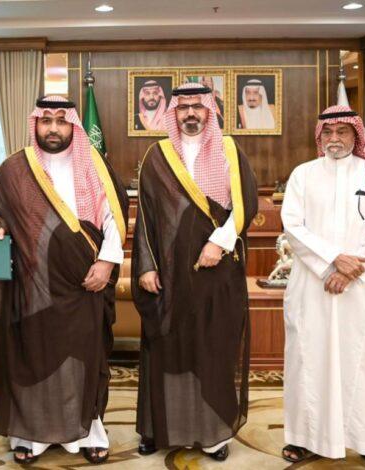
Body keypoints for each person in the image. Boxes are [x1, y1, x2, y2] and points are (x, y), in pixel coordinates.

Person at [0, 96, 128, 465]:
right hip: (33, 282)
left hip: (85, 281)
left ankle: (89, 432)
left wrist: (107, 263)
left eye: (61, 120)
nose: (53, 128)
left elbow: (113, 218)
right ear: (36, 123)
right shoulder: (15, 168)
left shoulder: (95, 164)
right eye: (46, 120)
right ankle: (31, 435)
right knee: (33, 354)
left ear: (72, 125)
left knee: (84, 356)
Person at [132, 83, 259, 461]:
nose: (190, 113)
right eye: (183, 107)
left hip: (216, 271)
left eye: (197, 106)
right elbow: (146, 217)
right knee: (166, 348)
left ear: (210, 110)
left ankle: (213, 435)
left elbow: (246, 204)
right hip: (168, 273)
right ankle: (158, 429)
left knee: (212, 349)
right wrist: (146, 265)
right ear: (173, 112)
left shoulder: (230, 150)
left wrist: (219, 243)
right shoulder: (157, 155)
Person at [280, 105, 365, 470]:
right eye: (328, 132)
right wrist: (332, 259)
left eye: (342, 131)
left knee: (361, 361)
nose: (334, 138)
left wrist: (349, 271)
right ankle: (303, 438)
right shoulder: (303, 174)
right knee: (307, 359)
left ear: (356, 135)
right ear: (320, 136)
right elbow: (292, 227)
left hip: (360, 286)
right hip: (312, 284)